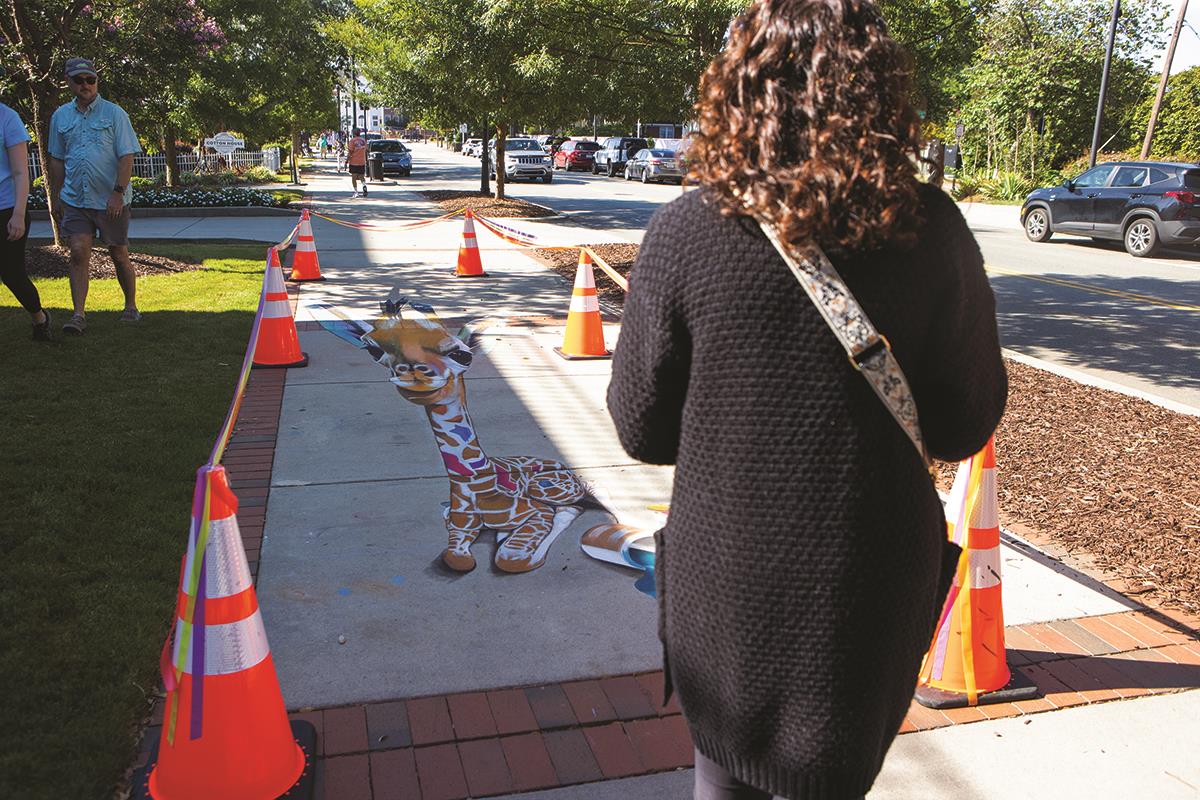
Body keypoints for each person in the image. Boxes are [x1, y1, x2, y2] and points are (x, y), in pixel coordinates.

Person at [606, 2, 1006, 799]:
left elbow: (641, 428)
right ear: (879, 89)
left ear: (740, 88)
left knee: (722, 777)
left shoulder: (689, 231)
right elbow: (964, 425)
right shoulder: (933, 229)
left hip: (727, 591)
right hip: (868, 594)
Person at [47, 57, 142, 335]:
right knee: (78, 252)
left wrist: (118, 193)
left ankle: (131, 306)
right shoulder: (60, 117)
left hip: (110, 199)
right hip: (76, 199)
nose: (85, 85)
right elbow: (57, 159)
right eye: (79, 81)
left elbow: (126, 157)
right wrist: (57, 195)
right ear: (69, 83)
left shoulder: (115, 114)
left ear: (96, 81)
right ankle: (78, 315)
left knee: (119, 253)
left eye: (90, 80)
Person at [1, 102, 51, 341]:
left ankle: (39, 318)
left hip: (7, 209)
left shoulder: (7, 118)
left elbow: (21, 172)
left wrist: (19, 214)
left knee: (12, 275)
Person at [346, 127, 368, 196]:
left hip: (354, 161)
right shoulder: (363, 141)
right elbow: (366, 150)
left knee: (354, 177)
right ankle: (364, 185)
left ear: (353, 133)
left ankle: (356, 192)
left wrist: (347, 160)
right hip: (362, 161)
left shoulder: (352, 141)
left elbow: (350, 152)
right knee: (361, 176)